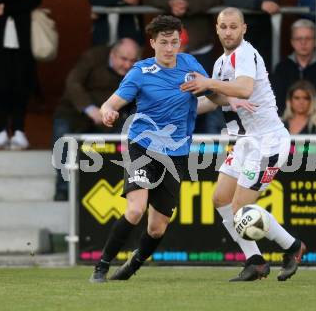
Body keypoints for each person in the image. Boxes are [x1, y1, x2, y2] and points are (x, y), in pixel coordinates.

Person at [89, 15, 252, 283]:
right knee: (135, 210)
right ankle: (101, 267)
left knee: (157, 227)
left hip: (176, 154)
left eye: (174, 42)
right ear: (152, 43)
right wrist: (108, 113)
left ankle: (132, 266)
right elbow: (111, 104)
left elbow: (211, 95)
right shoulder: (140, 72)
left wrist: (231, 100)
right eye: (163, 42)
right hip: (142, 145)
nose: (169, 48)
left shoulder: (190, 65)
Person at [181, 7, 306, 282]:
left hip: (267, 142)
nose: (228, 31)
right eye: (223, 26)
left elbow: (244, 89)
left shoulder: (245, 54)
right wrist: (181, 112)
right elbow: (215, 100)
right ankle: (256, 261)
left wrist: (206, 82)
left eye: (233, 26)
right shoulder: (220, 63)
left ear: (244, 29)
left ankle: (293, 247)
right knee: (220, 199)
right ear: (216, 28)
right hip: (244, 143)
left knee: (241, 209)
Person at [52, 38, 140, 201]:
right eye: (123, 59)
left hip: (111, 119)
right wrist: (90, 109)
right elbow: (73, 83)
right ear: (113, 54)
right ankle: (63, 191)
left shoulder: (138, 70)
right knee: (63, 141)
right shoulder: (93, 57)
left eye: (132, 60)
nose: (128, 65)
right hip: (75, 112)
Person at [146, 0, 225, 133]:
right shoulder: (147, 72)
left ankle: (210, 145)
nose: (172, 51)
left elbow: (212, 101)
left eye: (178, 46)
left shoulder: (197, 69)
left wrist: (230, 98)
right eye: (166, 44)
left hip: (201, 40)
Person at [271, 19, 316, 129]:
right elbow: (277, 103)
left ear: (315, 41)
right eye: (298, 39)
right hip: (287, 127)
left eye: (308, 38)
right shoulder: (281, 69)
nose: (303, 43)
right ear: (292, 42)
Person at [0, 0, 42, 150]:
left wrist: (6, 7)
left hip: (23, 41)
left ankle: (18, 130)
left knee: (21, 85)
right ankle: (0, 129)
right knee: (0, 85)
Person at [223, 0, 281, 72]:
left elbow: (272, 0)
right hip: (238, 29)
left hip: (264, 28)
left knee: (263, 71)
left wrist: (256, 4)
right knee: (238, 71)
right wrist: (259, 4)